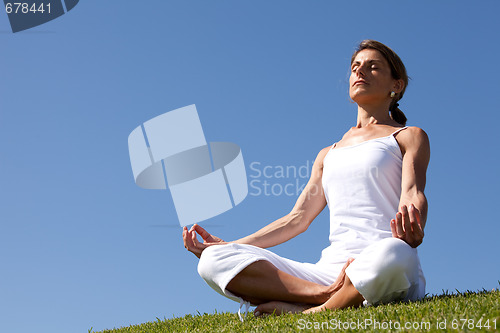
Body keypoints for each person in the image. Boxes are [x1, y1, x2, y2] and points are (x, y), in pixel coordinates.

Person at [182, 40, 430, 318]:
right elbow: (297, 219)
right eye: (355, 67)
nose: (360, 72)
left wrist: (414, 221)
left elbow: (412, 192)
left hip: (382, 263)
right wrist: (230, 246)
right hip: (328, 272)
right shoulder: (328, 154)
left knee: (396, 253)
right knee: (212, 261)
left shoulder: (407, 136)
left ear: (396, 86)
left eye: (373, 67)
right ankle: (323, 297)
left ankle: (308, 313)